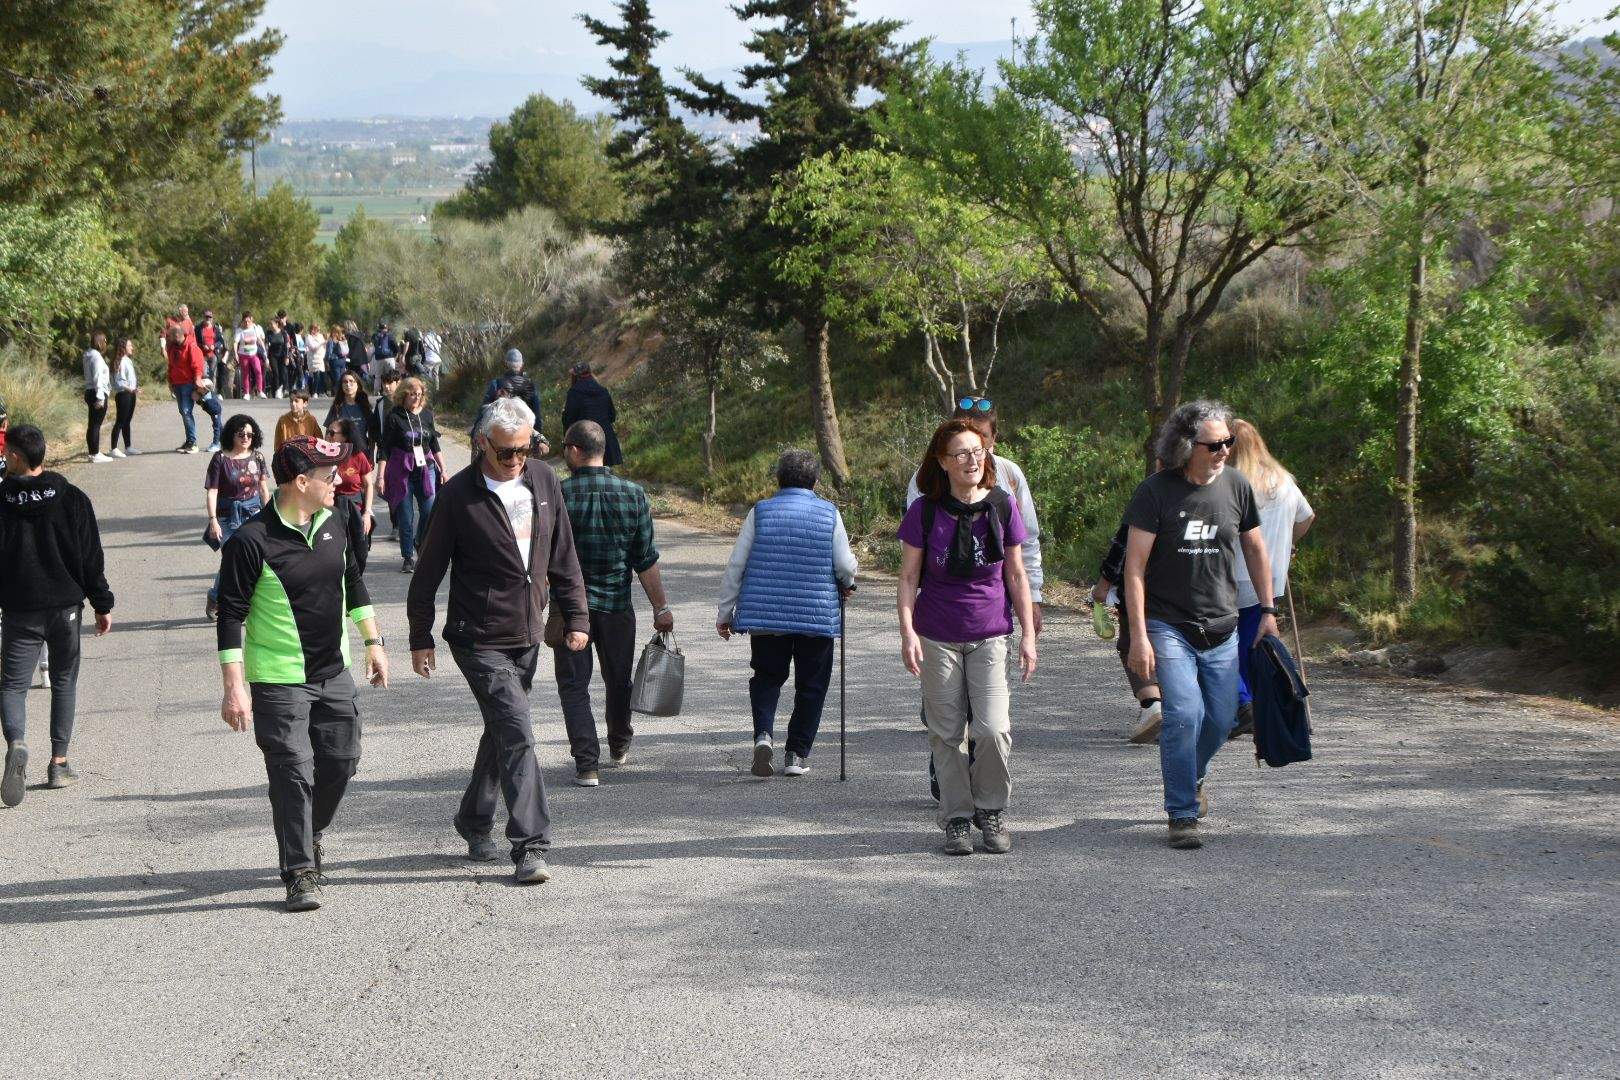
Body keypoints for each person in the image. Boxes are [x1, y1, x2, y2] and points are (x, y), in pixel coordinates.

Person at [406, 396, 589, 885]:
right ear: (482, 443)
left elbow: (564, 555)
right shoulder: (457, 496)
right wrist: (420, 636)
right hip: (478, 637)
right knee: (518, 730)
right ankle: (530, 845)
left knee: (503, 729)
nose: (515, 459)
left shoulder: (544, 481)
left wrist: (577, 616)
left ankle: (473, 819)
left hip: (527, 632)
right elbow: (427, 572)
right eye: (506, 451)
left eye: (524, 449)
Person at [216, 435, 388, 912]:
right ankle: (299, 871)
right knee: (292, 772)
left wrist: (373, 641)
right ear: (300, 482)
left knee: (342, 760)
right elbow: (230, 617)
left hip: (334, 672)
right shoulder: (251, 541)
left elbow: (353, 581)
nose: (339, 482)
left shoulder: (336, 520)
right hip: (279, 680)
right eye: (329, 476)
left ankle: (308, 831)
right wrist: (234, 689)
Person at [1122, 400, 1278, 850]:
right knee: (1184, 714)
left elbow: (1255, 549)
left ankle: (1191, 776)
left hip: (1223, 625)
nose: (1225, 450)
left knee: (1223, 719)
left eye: (1228, 441)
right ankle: (1182, 812)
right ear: (1186, 446)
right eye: (1214, 444)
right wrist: (1138, 636)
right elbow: (1134, 567)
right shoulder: (1155, 492)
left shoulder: (1236, 486)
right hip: (1169, 624)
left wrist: (1268, 612)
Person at [897, 419, 1036, 855]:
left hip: (990, 633)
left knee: (993, 729)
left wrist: (1029, 634)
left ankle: (990, 809)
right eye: (960, 453)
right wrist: (907, 632)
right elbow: (908, 577)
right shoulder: (924, 511)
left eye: (978, 451)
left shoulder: (1002, 505)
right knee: (947, 733)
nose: (972, 460)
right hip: (937, 635)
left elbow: (1016, 574)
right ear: (943, 462)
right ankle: (957, 818)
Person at [717, 449, 858, 779]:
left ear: (778, 479)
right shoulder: (829, 513)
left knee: (766, 677)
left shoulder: (760, 511)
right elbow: (843, 564)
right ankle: (796, 753)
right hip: (815, 615)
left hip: (766, 616)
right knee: (812, 685)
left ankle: (763, 735)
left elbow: (737, 564)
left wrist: (726, 612)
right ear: (816, 481)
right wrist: (849, 580)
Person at [1, 424, 115, 807]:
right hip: (65, 608)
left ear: (16, 456)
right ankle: (59, 763)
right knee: (64, 680)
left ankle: (17, 741)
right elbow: (90, 557)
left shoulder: (2, 500)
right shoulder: (72, 498)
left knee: (13, 686)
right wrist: (102, 603)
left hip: (19, 610)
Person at [555, 420, 672, 787]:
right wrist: (661, 609)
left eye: (565, 447)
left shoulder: (559, 495)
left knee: (574, 686)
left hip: (570, 611)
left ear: (575, 450)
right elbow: (645, 559)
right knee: (618, 680)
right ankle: (619, 743)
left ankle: (586, 764)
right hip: (617, 607)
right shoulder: (633, 494)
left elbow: (545, 557)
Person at [1229, 418, 1314, 736]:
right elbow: (1307, 517)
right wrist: (1288, 543)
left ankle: (1243, 702)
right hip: (1272, 576)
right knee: (1251, 640)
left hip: (1236, 574)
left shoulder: (1233, 482)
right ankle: (1251, 704)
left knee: (1222, 641)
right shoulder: (1284, 480)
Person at [1090, 521, 1165, 744]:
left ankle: (1152, 705)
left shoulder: (1147, 505)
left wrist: (1103, 586)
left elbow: (1122, 546)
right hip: (1186, 598)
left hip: (1141, 592)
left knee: (1131, 645)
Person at [204, 414, 272, 621]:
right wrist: (213, 520)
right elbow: (212, 491)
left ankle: (247, 605)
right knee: (231, 562)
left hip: (254, 515)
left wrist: (271, 516)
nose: (246, 438)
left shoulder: (257, 457)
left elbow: (263, 489)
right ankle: (215, 597)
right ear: (231, 435)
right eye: (241, 434)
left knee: (254, 561)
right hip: (227, 518)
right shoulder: (220, 459)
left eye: (250, 435)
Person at [375, 376, 446, 573]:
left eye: (419, 394)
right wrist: (380, 476)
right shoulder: (394, 416)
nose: (416, 398)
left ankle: (419, 541)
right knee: (405, 517)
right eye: (412, 394)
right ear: (403, 395)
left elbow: (434, 444)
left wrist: (443, 470)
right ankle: (407, 557)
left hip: (425, 468)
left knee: (429, 511)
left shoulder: (427, 415)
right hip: (401, 470)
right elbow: (385, 448)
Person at [326, 417, 374, 575]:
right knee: (336, 549)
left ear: (345, 436)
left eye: (332, 433)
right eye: (327, 432)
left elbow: (368, 485)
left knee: (360, 550)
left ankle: (356, 578)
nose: (328, 436)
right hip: (332, 507)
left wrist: (367, 513)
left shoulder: (358, 456)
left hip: (355, 507)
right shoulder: (325, 456)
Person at [561, 362, 621, 467]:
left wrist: (568, 442)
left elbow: (568, 421)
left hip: (584, 442)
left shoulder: (574, 393)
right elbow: (612, 416)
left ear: (575, 376)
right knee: (607, 474)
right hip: (606, 440)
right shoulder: (603, 391)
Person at [166, 323, 208, 453]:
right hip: (177, 384)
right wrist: (170, 382)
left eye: (170, 335)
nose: (169, 338)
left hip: (187, 384)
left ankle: (193, 443)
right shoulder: (172, 348)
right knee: (183, 412)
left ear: (177, 335)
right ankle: (189, 440)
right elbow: (171, 366)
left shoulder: (191, 346)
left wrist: (197, 379)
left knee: (186, 411)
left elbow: (197, 365)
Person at [483, 349, 543, 431]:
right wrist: (538, 433)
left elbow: (484, 410)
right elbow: (537, 414)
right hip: (525, 429)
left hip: (500, 429)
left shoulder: (496, 384)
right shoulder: (530, 385)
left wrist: (475, 430)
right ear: (522, 365)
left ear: (505, 364)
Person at [324, 370, 372, 459]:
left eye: (351, 381)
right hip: (340, 454)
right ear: (341, 386)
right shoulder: (336, 407)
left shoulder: (365, 407)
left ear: (358, 385)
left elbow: (372, 435)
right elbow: (328, 433)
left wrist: (371, 455)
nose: (348, 385)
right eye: (345, 382)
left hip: (362, 454)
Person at [82, 332, 112, 463]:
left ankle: (93, 452)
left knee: (92, 424)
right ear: (100, 342)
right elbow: (98, 378)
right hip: (97, 392)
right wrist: (100, 397)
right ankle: (95, 454)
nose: (106, 344)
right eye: (105, 341)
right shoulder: (96, 357)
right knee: (96, 425)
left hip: (90, 391)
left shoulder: (88, 355)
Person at [109, 337, 140, 458]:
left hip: (131, 394)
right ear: (123, 347)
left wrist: (134, 390)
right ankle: (113, 448)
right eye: (129, 345)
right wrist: (131, 389)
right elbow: (119, 382)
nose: (132, 347)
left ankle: (128, 447)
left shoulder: (128, 360)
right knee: (120, 421)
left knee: (127, 421)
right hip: (123, 394)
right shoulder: (120, 361)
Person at [234, 313, 267, 400]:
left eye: (249, 321)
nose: (247, 323)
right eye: (245, 321)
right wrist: (236, 353)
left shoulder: (255, 328)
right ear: (242, 321)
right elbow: (236, 343)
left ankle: (260, 391)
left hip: (253, 354)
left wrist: (264, 350)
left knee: (258, 370)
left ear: (251, 321)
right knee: (245, 374)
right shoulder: (239, 331)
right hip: (243, 355)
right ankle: (246, 393)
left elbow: (259, 340)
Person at [372, 368, 402, 463]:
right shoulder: (380, 404)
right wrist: (379, 440)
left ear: (398, 383)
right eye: (384, 383)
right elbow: (375, 426)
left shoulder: (405, 402)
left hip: (402, 448)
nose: (386, 386)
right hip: (384, 449)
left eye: (389, 383)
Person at [265, 314, 291, 400]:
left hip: (282, 355)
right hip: (272, 355)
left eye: (272, 324)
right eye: (269, 324)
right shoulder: (268, 333)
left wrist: (287, 357)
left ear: (277, 324)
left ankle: (281, 388)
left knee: (283, 373)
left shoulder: (283, 333)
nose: (270, 326)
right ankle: (277, 390)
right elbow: (266, 346)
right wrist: (266, 358)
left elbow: (287, 346)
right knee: (275, 373)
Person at [305, 324, 329, 397]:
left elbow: (324, 347)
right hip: (313, 359)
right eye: (315, 329)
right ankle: (314, 392)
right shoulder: (308, 337)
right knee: (316, 375)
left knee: (322, 375)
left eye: (318, 330)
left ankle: (321, 391)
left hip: (320, 358)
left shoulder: (321, 336)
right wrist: (322, 343)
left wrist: (323, 353)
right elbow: (313, 348)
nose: (317, 331)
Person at [371, 322, 397, 389]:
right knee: (391, 375)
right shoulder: (390, 335)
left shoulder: (375, 335)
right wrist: (395, 354)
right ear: (386, 328)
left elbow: (374, 344)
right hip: (389, 357)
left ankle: (376, 392)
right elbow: (395, 345)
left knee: (378, 377)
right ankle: (391, 390)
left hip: (379, 358)